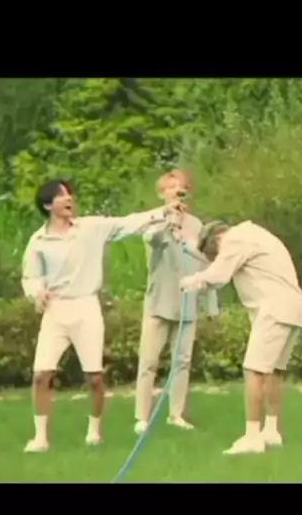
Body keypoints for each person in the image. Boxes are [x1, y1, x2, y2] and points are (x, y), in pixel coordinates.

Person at [21, 178, 183, 453]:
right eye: (61, 195)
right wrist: (37, 292)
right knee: (41, 375)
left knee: (94, 377)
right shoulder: (38, 241)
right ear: (48, 205)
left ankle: (94, 431)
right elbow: (30, 277)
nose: (69, 198)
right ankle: (40, 438)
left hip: (86, 306)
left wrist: (163, 211)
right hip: (56, 310)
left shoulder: (91, 228)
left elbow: (127, 223)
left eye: (70, 194)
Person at [179, 219, 302, 454]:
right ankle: (271, 431)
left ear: (217, 239)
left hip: (274, 308)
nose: (217, 256)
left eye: (215, 253)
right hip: (293, 307)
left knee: (254, 370)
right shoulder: (255, 233)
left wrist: (193, 281)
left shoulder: (234, 239)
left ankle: (252, 437)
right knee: (273, 370)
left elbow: (218, 276)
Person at [134, 169, 219, 434]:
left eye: (180, 187)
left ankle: (176, 414)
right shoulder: (155, 221)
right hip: (159, 301)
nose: (176, 192)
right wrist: (168, 219)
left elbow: (205, 263)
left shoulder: (196, 225)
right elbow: (152, 241)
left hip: (187, 303)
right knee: (148, 361)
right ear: (162, 193)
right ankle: (142, 417)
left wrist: (210, 304)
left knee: (182, 361)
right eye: (170, 187)